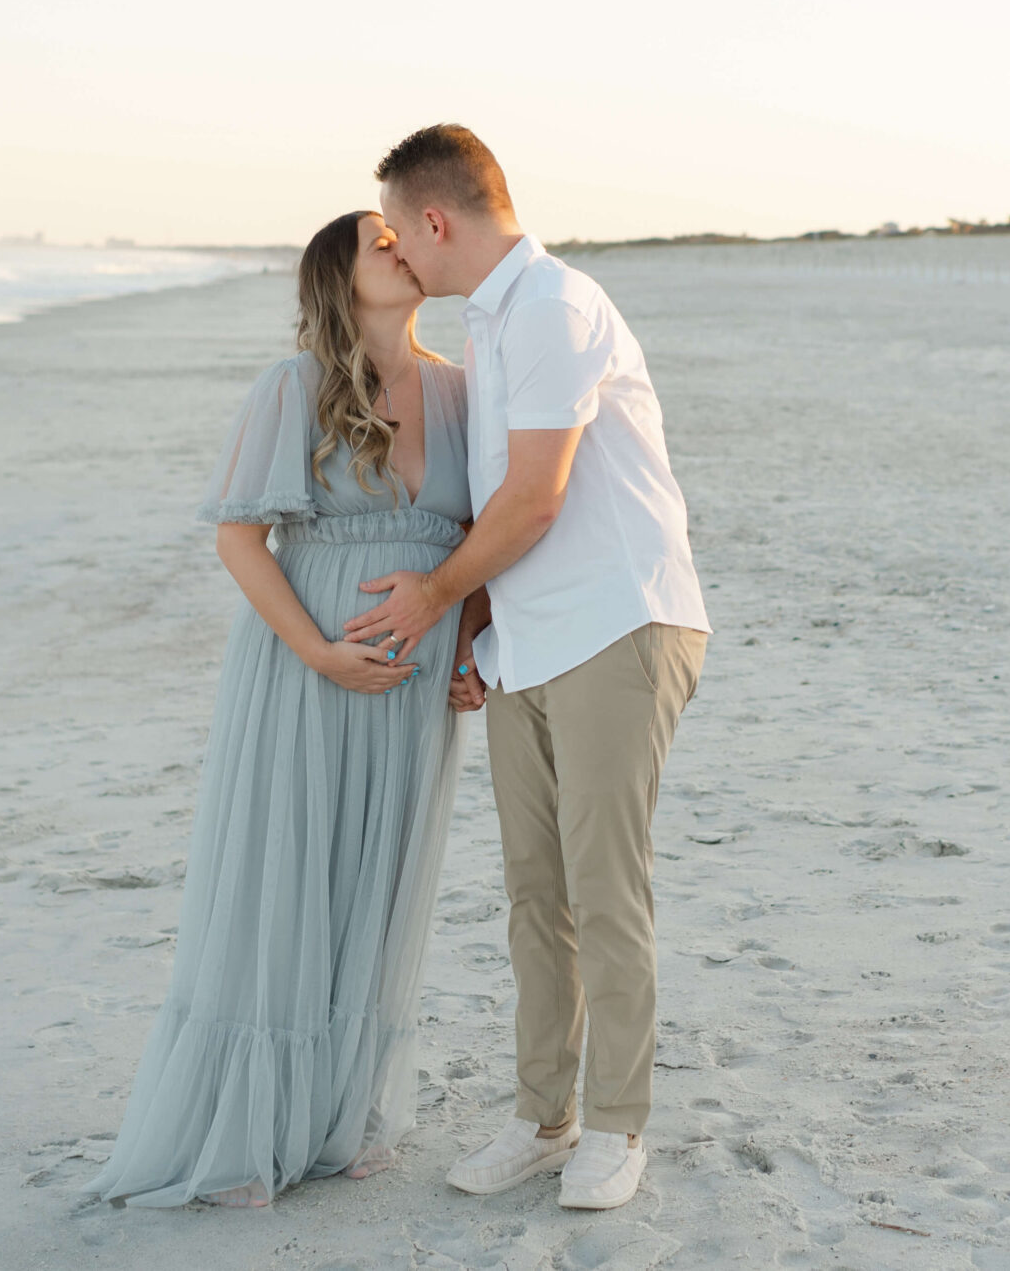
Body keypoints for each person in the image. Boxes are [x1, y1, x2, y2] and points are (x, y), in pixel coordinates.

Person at [341, 124, 710, 1212]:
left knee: (605, 890)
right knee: (531, 897)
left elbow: (537, 498)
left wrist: (433, 595)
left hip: (619, 624)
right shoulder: (491, 326)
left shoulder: (551, 306)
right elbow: (505, 502)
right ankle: (543, 1118)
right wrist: (477, 640)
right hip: (532, 640)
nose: (399, 254)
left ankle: (616, 1127)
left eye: (402, 234)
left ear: (435, 221)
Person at [85, 210, 484, 1209]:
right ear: (339, 279)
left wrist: (476, 641)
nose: (401, 248)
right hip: (306, 672)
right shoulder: (293, 386)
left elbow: (483, 538)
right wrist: (318, 653)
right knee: (286, 881)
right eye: (377, 243)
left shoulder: (465, 391)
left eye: (404, 236)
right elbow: (239, 540)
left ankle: (337, 1118)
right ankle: (243, 1138)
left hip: (411, 690)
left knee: (376, 888)